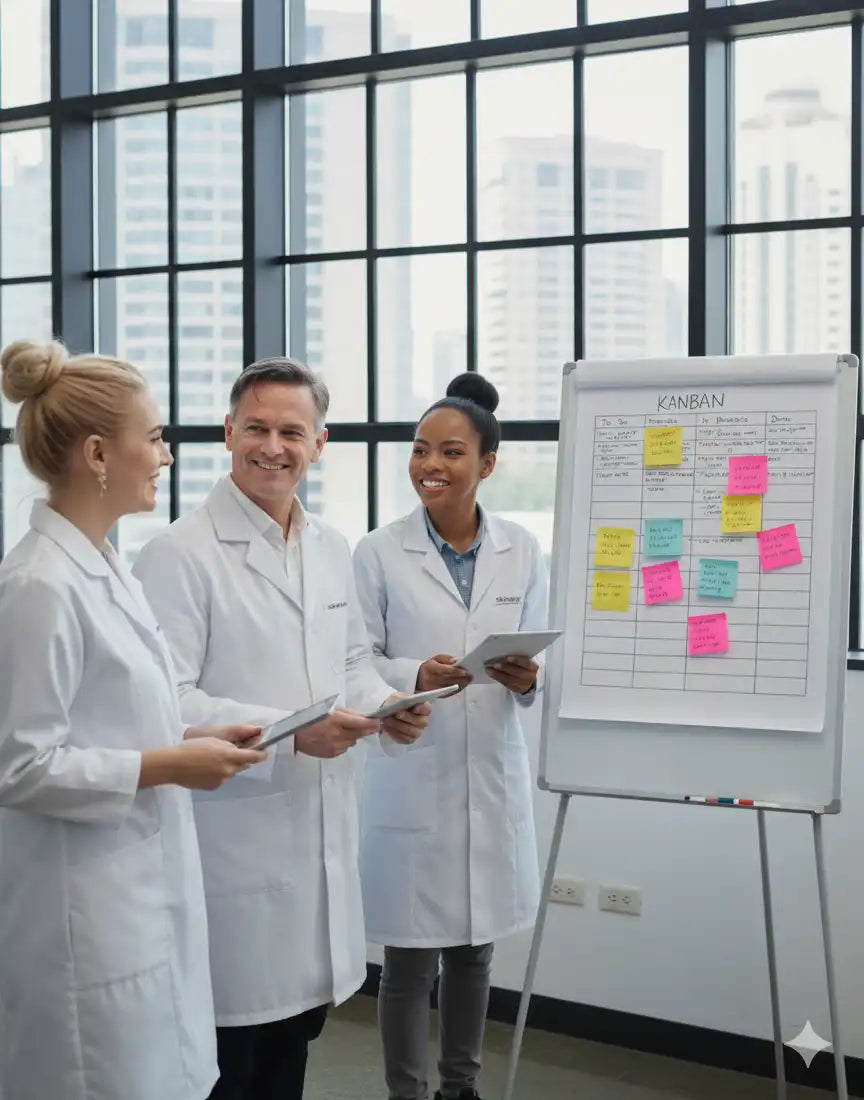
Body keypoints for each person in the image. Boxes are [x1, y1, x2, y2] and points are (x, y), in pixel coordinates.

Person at [132, 356, 431, 1100]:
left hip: (316, 840)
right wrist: (291, 733)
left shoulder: (331, 548)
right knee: (229, 1061)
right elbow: (164, 700)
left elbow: (352, 661)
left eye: (291, 432)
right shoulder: (177, 555)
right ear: (228, 434)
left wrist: (388, 704)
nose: (274, 446)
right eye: (257, 428)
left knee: (291, 1051)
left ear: (319, 443)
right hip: (230, 846)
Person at [0, 339, 265, 1100]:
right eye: (153, 438)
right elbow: (19, 765)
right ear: (95, 453)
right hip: (81, 921)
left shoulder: (105, 564)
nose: (167, 456)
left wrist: (190, 739)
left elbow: (109, 718)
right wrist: (167, 766)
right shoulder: (39, 587)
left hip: (134, 897)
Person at [352, 372, 550, 1100]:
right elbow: (358, 658)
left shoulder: (523, 550)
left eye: (451, 453)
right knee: (408, 967)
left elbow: (539, 663)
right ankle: (407, 1093)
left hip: (487, 773)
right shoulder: (378, 552)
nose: (430, 466)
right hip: (414, 766)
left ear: (487, 465)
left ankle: (459, 1088)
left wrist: (527, 680)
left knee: (474, 953)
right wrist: (415, 672)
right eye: (420, 450)